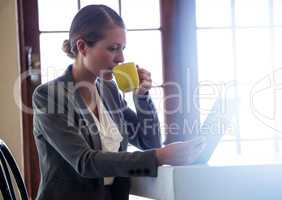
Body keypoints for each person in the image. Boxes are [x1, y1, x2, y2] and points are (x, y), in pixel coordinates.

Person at [32, 4, 204, 200]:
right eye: (113, 48)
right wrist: (160, 156)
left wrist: (141, 97)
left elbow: (148, 141)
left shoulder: (108, 90)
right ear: (82, 47)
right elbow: (85, 162)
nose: (121, 58)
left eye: (122, 49)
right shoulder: (49, 96)